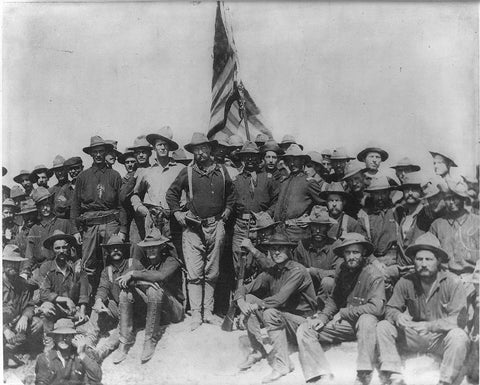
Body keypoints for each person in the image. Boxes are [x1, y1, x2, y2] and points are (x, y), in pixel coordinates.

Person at [376, 233, 469, 385]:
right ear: (413, 261)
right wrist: (398, 316)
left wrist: (431, 326)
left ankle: (445, 381)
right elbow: (391, 308)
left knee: (459, 336)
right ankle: (395, 376)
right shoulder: (406, 281)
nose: (423, 264)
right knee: (383, 326)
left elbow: (459, 319)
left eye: (429, 259)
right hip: (413, 335)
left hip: (439, 339)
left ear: (438, 260)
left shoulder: (453, 282)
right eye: (419, 259)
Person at [296, 233, 385, 385]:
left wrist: (343, 312)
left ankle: (364, 374)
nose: (351, 256)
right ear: (343, 254)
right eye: (348, 252)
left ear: (363, 253)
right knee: (305, 329)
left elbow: (377, 308)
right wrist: (323, 317)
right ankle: (321, 375)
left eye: (355, 252)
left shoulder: (373, 274)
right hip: (346, 325)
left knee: (367, 319)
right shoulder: (342, 269)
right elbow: (334, 299)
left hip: (366, 327)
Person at [167, 132, 235, 330]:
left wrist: (228, 211)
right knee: (195, 272)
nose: (200, 153)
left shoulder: (222, 171)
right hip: (193, 227)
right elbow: (171, 194)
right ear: (193, 152)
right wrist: (177, 213)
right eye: (196, 150)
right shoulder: (187, 172)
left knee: (212, 271)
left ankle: (208, 312)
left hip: (216, 226)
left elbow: (231, 194)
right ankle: (196, 314)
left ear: (210, 149)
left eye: (204, 148)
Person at [236, 232, 316, 383]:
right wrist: (241, 301)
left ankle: (282, 364)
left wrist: (255, 305)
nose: (276, 252)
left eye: (281, 248)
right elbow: (244, 289)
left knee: (269, 312)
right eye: (273, 249)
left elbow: (280, 299)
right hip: (283, 320)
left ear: (289, 250)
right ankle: (258, 350)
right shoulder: (272, 271)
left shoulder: (297, 271)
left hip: (303, 324)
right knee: (249, 299)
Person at [114, 228, 184, 363]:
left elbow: (160, 275)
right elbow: (122, 280)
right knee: (125, 292)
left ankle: (149, 340)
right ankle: (124, 342)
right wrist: (141, 281)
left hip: (174, 310)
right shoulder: (142, 263)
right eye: (148, 248)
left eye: (154, 247)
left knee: (154, 290)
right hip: (155, 311)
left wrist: (135, 275)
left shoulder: (171, 261)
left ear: (161, 247)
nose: (150, 250)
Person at [71, 136, 127, 289]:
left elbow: (121, 205)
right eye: (95, 151)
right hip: (90, 225)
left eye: (101, 151)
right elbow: (75, 205)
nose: (98, 154)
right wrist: (75, 229)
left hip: (111, 223)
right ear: (90, 154)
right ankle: (88, 302)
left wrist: (122, 229)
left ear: (105, 152)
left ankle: (112, 298)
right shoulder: (83, 177)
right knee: (88, 263)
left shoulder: (114, 175)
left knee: (113, 260)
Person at [82, 234, 133, 362]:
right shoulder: (107, 270)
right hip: (118, 308)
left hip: (135, 310)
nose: (115, 251)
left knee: (122, 324)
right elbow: (102, 288)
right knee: (97, 305)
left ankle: (102, 352)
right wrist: (99, 301)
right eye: (112, 248)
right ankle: (89, 343)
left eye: (118, 248)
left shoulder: (133, 263)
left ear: (124, 249)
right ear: (109, 252)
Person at [232, 141, 279, 273]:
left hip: (262, 226)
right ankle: (240, 290)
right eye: (247, 156)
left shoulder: (268, 178)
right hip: (241, 226)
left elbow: (277, 200)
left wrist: (267, 214)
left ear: (259, 158)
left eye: (253, 156)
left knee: (261, 260)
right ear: (242, 159)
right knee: (239, 263)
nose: (250, 159)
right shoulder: (236, 180)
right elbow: (230, 203)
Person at [130, 126, 184, 238]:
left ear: (169, 148)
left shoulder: (180, 169)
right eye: (159, 145)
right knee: (153, 253)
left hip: (174, 220)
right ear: (154, 148)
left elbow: (188, 194)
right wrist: (140, 208)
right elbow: (135, 195)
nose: (163, 148)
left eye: (166, 144)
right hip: (152, 220)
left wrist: (181, 211)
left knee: (175, 253)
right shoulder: (146, 172)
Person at [38, 230, 89, 337]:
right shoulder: (46, 267)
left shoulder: (77, 268)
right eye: (57, 248)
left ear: (69, 248)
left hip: (72, 310)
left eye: (64, 247)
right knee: (46, 309)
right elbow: (44, 293)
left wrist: (82, 311)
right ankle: (49, 342)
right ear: (52, 249)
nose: (61, 251)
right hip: (55, 307)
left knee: (84, 333)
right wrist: (66, 300)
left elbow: (83, 293)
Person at [273, 144, 324, 243]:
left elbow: (323, 205)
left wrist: (310, 218)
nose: (292, 164)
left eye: (295, 160)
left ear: (302, 161)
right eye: (289, 160)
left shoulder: (309, 182)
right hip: (280, 233)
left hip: (298, 234)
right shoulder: (284, 182)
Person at [429, 179, 479, 276]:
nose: (451, 202)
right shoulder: (437, 225)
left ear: (463, 199)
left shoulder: (477, 222)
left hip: (472, 277)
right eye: (448, 198)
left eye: (456, 198)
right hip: (445, 277)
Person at [3, 244, 42, 367]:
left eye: (16, 263)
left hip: (15, 323)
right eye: (9, 263)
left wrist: (25, 316)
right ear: (3, 263)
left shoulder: (22, 283)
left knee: (37, 323)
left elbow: (29, 305)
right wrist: (4, 329)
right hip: (3, 326)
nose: (13, 266)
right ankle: (6, 353)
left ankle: (16, 349)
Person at [293, 206, 340, 304]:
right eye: (314, 226)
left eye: (322, 226)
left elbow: (338, 272)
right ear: (310, 227)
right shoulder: (302, 245)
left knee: (328, 282)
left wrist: (313, 271)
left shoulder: (336, 245)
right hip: (308, 288)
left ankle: (322, 311)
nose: (318, 230)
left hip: (331, 292)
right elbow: (295, 269)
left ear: (327, 227)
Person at [34, 318, 102, 385]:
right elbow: (41, 381)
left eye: (68, 335)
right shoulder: (45, 358)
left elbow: (97, 378)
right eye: (60, 335)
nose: (64, 338)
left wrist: (82, 354)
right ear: (54, 337)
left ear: (74, 337)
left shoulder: (82, 354)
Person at [24, 187, 74, 279]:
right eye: (41, 206)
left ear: (52, 204)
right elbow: (29, 255)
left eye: (47, 204)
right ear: (38, 208)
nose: (45, 208)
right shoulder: (34, 229)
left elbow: (74, 252)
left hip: (64, 267)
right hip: (42, 270)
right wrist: (25, 271)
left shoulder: (65, 223)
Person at [118, 149, 140, 242]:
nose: (130, 164)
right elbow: (122, 199)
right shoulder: (123, 181)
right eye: (127, 162)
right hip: (130, 219)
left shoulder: (143, 174)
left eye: (133, 161)